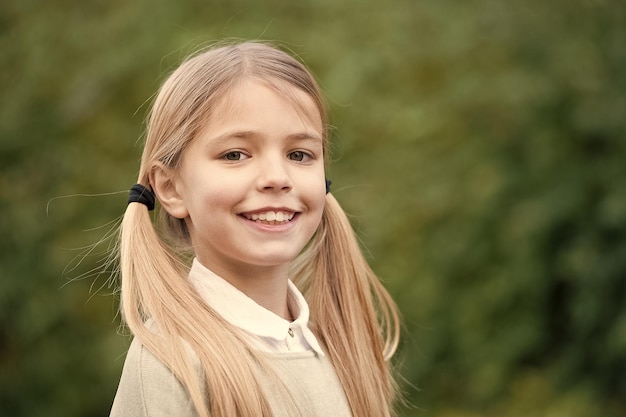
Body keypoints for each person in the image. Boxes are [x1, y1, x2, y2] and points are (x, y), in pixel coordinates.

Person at [109, 40, 400, 417]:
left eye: (299, 154)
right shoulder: (173, 364)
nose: (277, 178)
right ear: (170, 187)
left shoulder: (344, 352)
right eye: (235, 154)